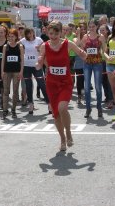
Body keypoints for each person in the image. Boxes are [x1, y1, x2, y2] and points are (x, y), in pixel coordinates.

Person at [36, 21, 87, 151]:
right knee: (56, 113)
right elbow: (41, 58)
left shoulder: (68, 44)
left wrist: (89, 58)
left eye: (56, 33)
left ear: (61, 32)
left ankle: (69, 133)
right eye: (51, 33)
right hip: (51, 83)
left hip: (65, 82)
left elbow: (81, 53)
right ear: (47, 33)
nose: (53, 36)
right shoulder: (44, 46)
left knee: (63, 108)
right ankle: (62, 139)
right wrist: (39, 63)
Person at [79, 19, 108, 118]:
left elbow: (105, 49)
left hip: (98, 63)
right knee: (87, 87)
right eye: (90, 27)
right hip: (87, 63)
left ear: (97, 27)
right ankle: (88, 108)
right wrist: (83, 54)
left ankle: (99, 107)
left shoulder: (101, 37)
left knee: (98, 86)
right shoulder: (85, 37)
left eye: (93, 26)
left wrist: (105, 53)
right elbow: (81, 49)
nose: (91, 28)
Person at [21, 28, 49, 114]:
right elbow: (16, 46)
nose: (29, 35)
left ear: (33, 33)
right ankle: (31, 104)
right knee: (28, 86)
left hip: (37, 65)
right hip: (26, 65)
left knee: (42, 84)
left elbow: (44, 50)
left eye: (31, 33)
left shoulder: (39, 40)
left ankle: (49, 103)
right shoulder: (23, 41)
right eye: (28, 33)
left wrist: (39, 49)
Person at [1, 28, 24, 119]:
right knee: (6, 91)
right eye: (9, 36)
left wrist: (21, 71)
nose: (10, 38)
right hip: (7, 71)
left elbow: (22, 60)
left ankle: (13, 110)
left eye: (12, 36)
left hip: (16, 71)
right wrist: (2, 71)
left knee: (15, 91)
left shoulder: (20, 46)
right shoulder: (5, 46)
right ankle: (5, 110)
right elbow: (3, 60)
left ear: (16, 37)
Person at [99, 24, 114, 109]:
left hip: (108, 62)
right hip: (100, 62)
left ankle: (111, 99)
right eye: (100, 30)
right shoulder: (98, 38)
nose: (101, 32)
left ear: (107, 31)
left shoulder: (110, 38)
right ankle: (107, 97)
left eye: (103, 30)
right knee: (103, 81)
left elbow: (106, 51)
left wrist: (103, 41)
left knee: (109, 81)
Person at [73, 22, 86, 105]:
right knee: (79, 79)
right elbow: (77, 46)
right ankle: (79, 96)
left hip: (86, 60)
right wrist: (78, 36)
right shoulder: (75, 38)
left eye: (84, 29)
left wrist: (81, 45)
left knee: (85, 78)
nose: (82, 31)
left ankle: (83, 92)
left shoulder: (87, 37)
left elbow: (83, 47)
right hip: (78, 61)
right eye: (80, 29)